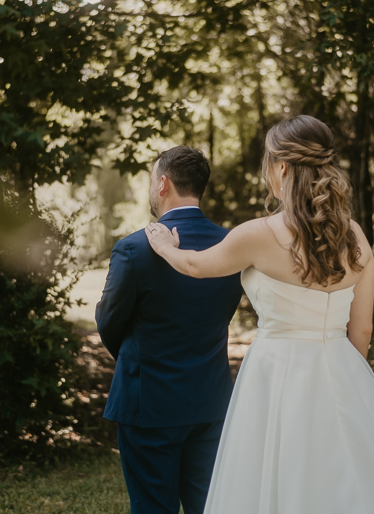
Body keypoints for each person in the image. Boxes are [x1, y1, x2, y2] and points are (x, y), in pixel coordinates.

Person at [145, 116, 374, 514]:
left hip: (276, 376)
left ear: (280, 167)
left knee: (272, 477)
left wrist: (163, 245)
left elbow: (195, 266)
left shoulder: (257, 234)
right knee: (351, 480)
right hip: (343, 370)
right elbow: (361, 329)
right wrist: (345, 382)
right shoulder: (355, 237)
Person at [96, 146, 243, 514]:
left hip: (149, 402)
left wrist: (140, 358)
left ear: (162, 184)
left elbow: (109, 323)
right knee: (209, 507)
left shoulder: (132, 249)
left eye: (150, 181)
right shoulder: (233, 246)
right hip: (210, 401)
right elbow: (222, 314)